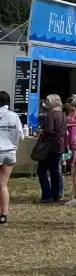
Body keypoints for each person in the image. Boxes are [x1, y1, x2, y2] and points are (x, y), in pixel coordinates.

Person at [0, 90, 25, 225]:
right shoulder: (14, 116)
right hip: (10, 153)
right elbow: (21, 135)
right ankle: (3, 216)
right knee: (3, 185)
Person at [36, 94, 67, 203]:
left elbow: (48, 130)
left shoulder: (51, 114)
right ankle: (57, 194)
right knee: (55, 171)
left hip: (49, 146)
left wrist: (40, 131)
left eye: (48, 101)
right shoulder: (62, 114)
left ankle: (47, 195)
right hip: (59, 145)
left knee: (42, 170)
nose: (46, 103)